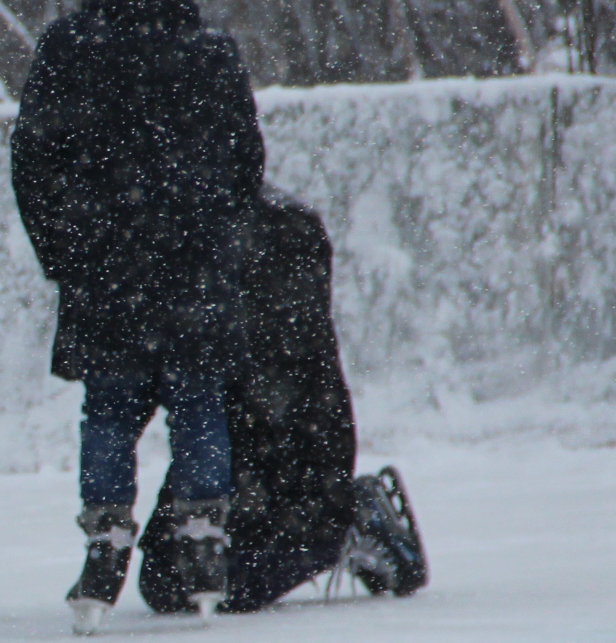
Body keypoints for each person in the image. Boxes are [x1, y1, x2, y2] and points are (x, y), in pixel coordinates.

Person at [10, 0, 267, 633]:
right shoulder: (209, 49)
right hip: (191, 264)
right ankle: (204, 539)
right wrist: (218, 234)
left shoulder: (68, 46)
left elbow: (32, 160)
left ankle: (105, 540)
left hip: (105, 267)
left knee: (109, 410)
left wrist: (65, 251)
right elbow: (245, 158)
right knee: (198, 402)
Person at [134, 186, 428, 613]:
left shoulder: (269, 232)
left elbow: (293, 361)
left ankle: (349, 522)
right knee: (167, 582)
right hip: (232, 434)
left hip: (283, 437)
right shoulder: (205, 224)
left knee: (220, 587)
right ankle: (322, 522)